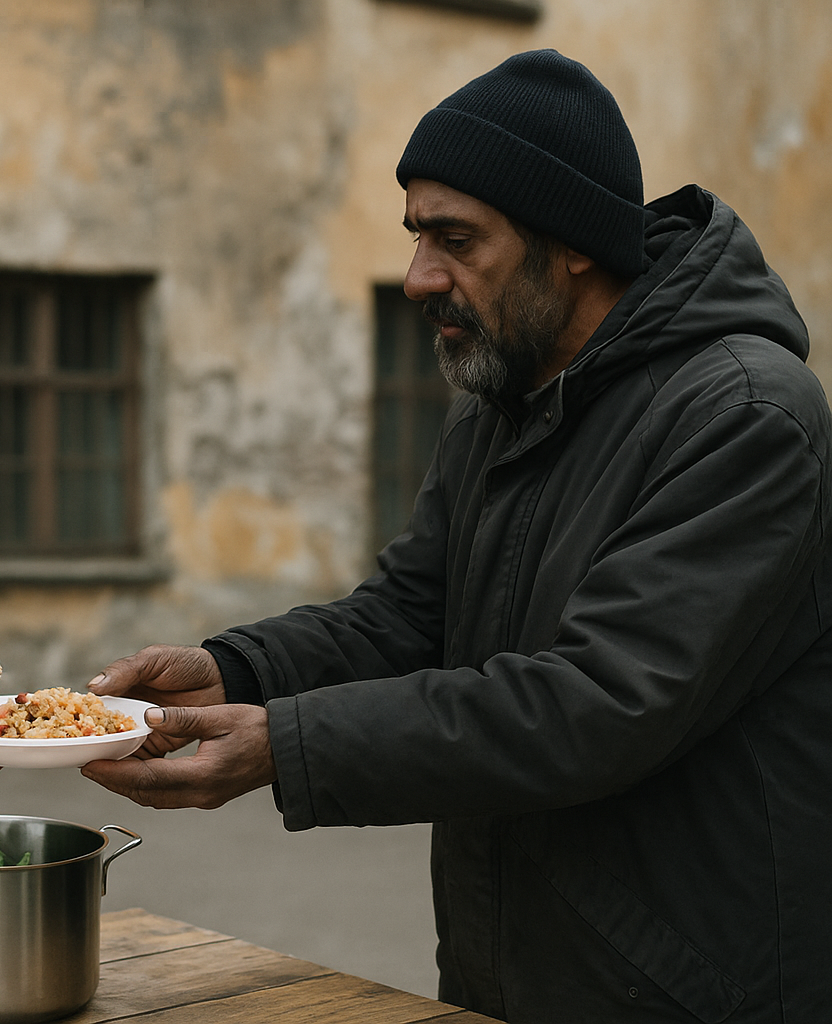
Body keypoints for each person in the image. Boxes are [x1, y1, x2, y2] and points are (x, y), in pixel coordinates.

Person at [83, 49, 832, 1023]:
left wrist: (287, 746)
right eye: (417, 234)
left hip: (692, 990)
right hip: (508, 971)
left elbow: (603, 702)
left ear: (572, 242)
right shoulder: (501, 396)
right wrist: (235, 672)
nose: (417, 277)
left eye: (456, 239)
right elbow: (409, 615)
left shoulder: (745, 414)